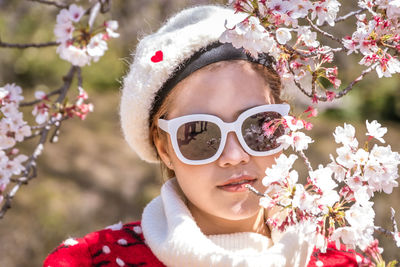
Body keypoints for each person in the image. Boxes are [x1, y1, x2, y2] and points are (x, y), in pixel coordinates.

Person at [43, 4, 361, 267]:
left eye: (258, 125)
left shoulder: (347, 260)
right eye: (200, 133)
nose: (235, 155)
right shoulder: (88, 260)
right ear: (163, 145)